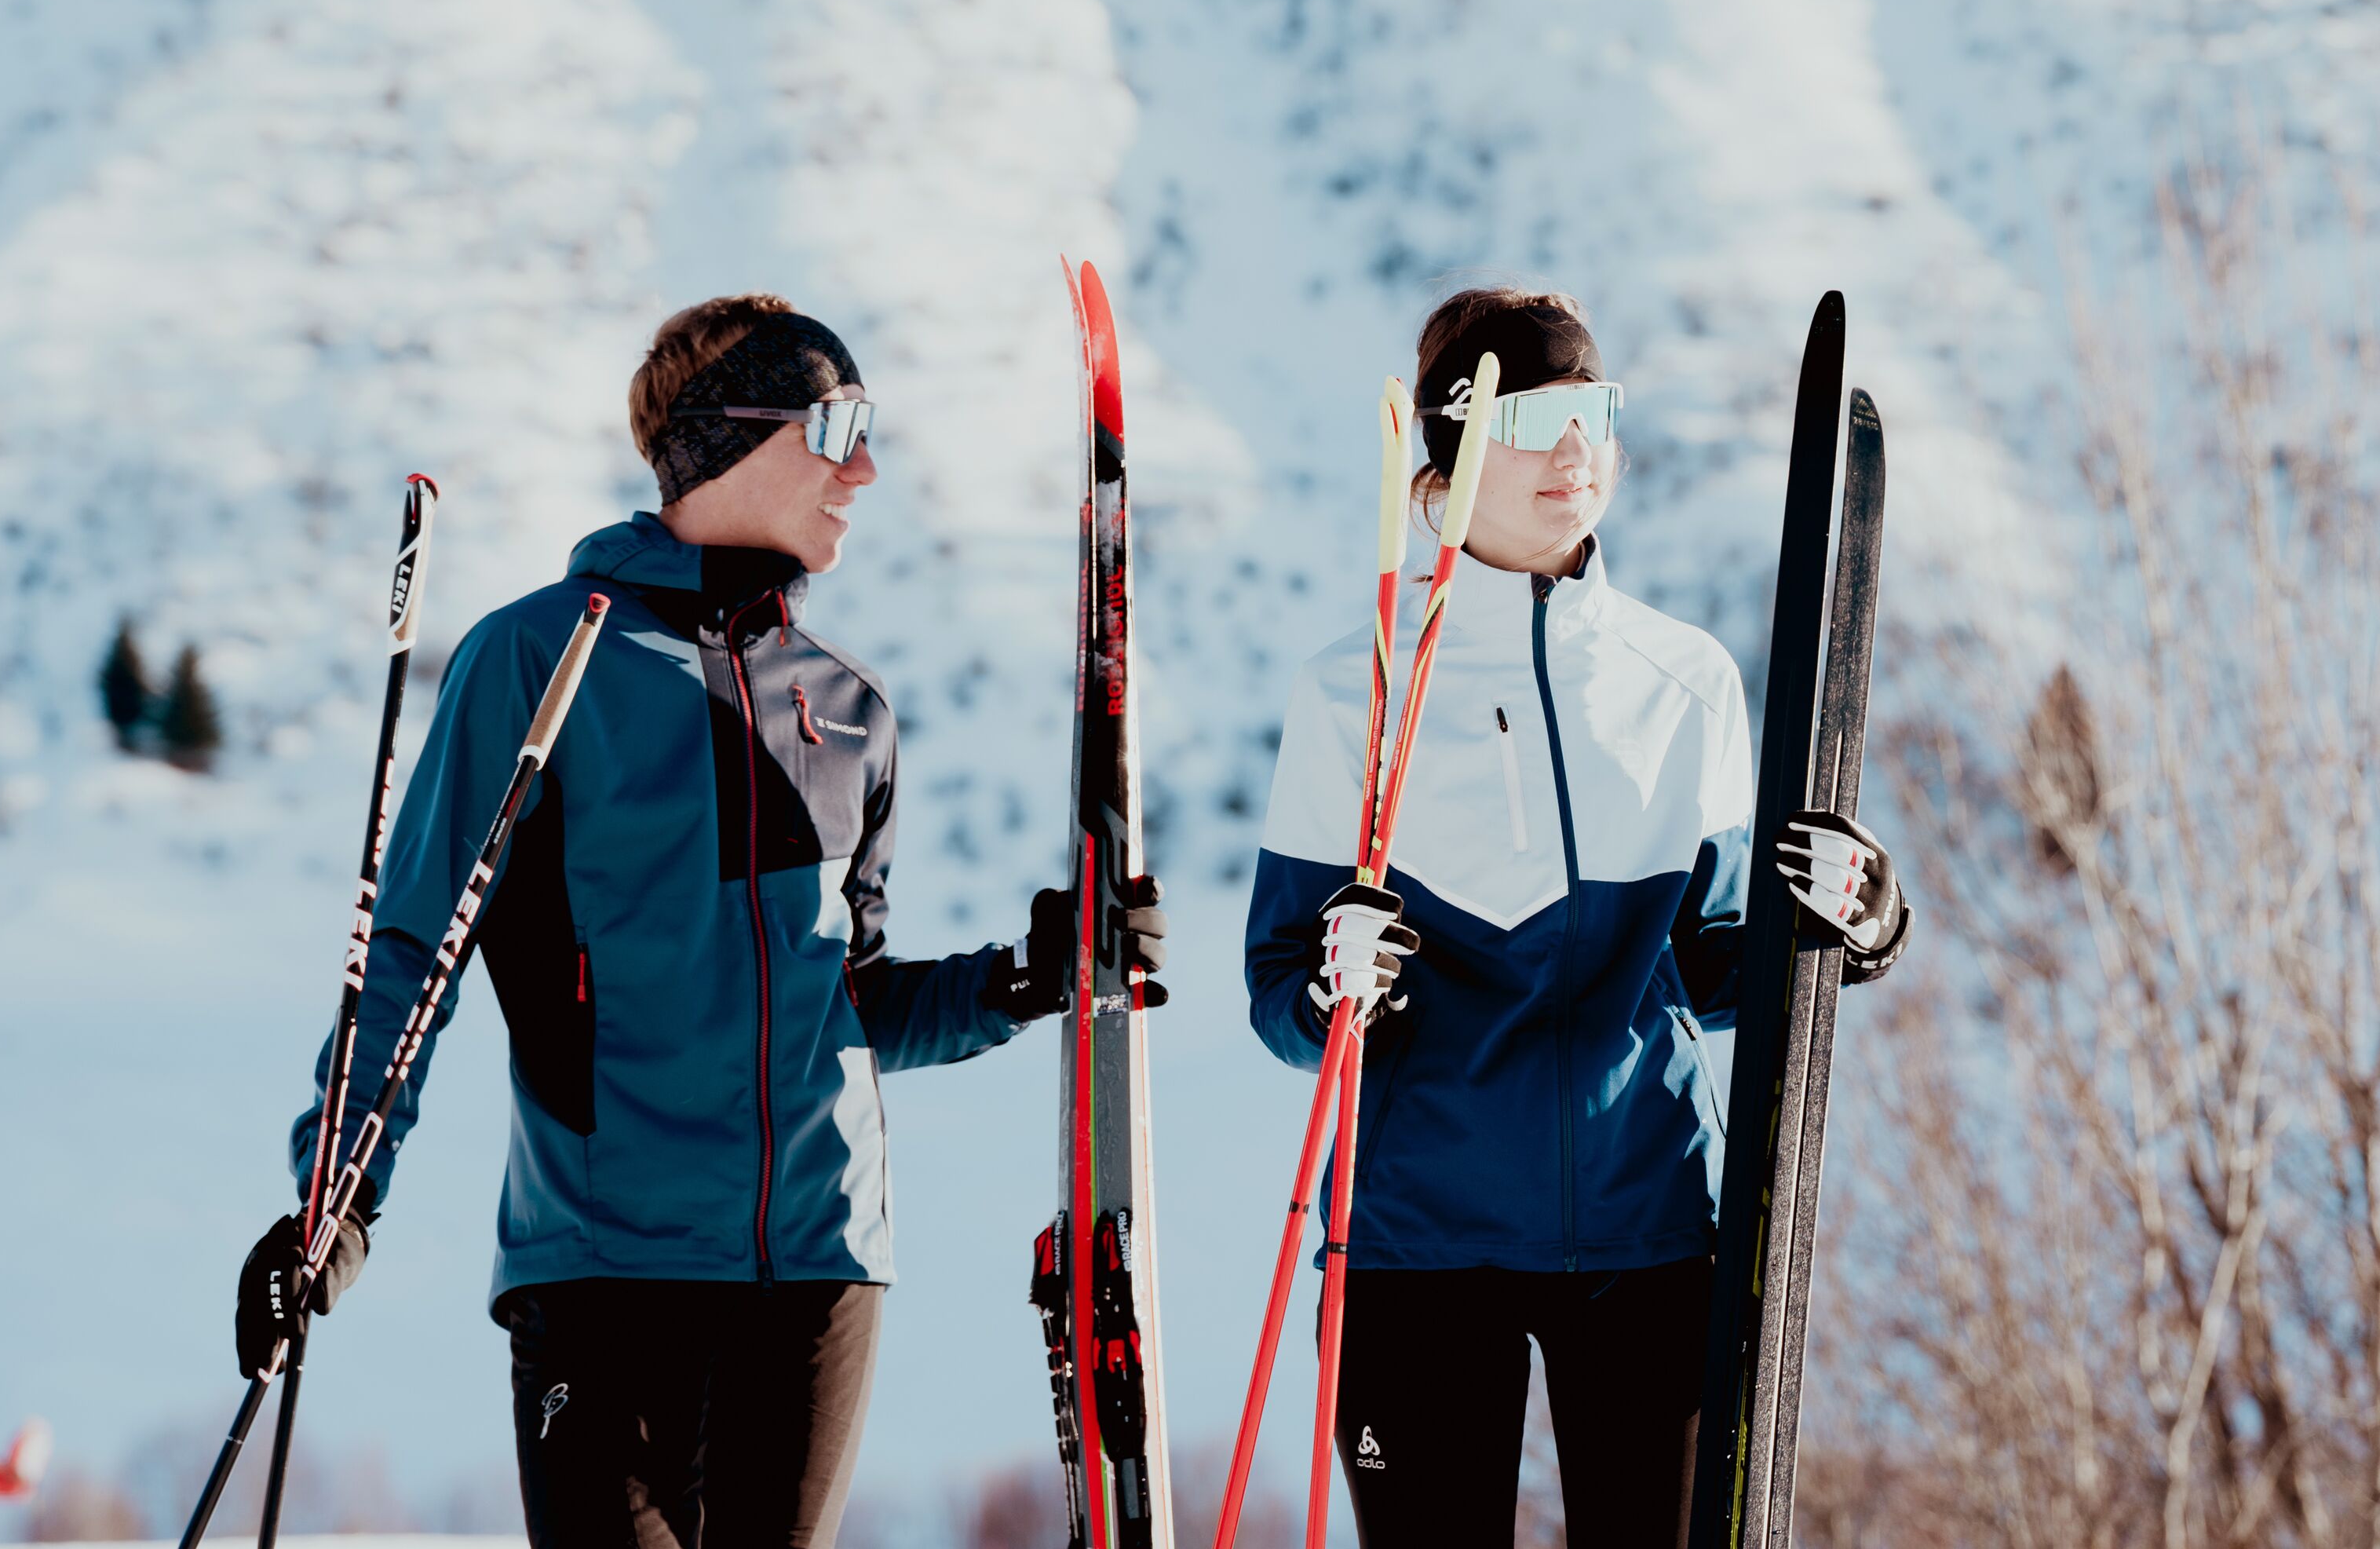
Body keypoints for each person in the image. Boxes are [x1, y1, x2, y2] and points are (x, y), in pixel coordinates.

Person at [234, 294, 1165, 1547]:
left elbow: (858, 1000)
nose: (867, 466)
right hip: (607, 1267)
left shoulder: (847, 708)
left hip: (819, 1269)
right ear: (722, 440)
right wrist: (334, 1199)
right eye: (838, 424)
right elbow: (410, 955)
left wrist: (1025, 976)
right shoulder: (534, 664)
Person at [1243, 288, 1911, 1544]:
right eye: (1540, 416)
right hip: (1414, 1248)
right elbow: (1279, 993)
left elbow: (1720, 968)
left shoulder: (1683, 678)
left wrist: (1852, 922)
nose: (1579, 451)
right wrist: (1335, 980)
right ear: (1449, 444)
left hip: (1647, 1234)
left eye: (1595, 413)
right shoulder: (1357, 689)